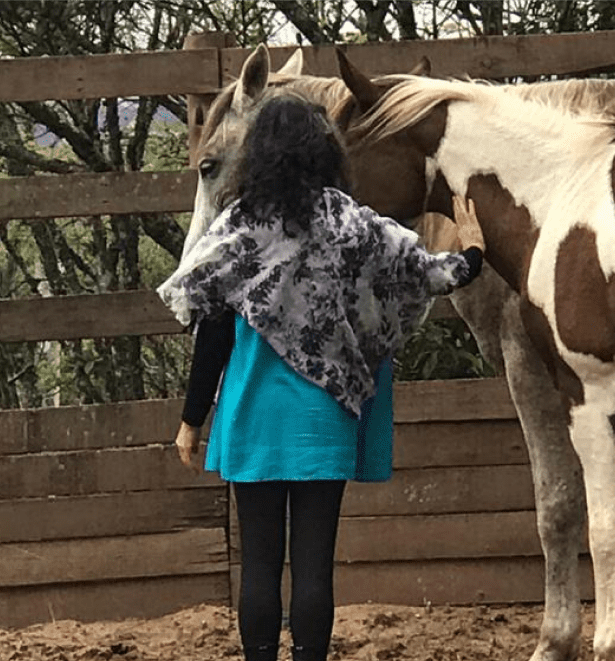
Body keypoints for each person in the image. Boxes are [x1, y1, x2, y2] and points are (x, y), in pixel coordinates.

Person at [158, 96, 485, 661]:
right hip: (324, 419)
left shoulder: (239, 225)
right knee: (315, 566)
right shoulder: (352, 223)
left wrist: (192, 419)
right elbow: (427, 273)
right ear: (323, 150)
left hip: (252, 417)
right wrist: (473, 250)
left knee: (259, 564)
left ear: (256, 155)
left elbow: (209, 323)